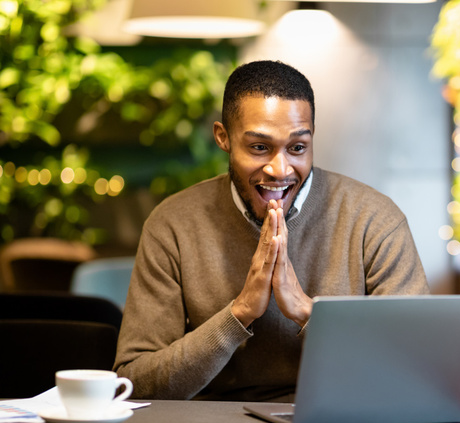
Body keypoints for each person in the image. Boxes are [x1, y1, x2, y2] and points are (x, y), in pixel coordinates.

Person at [114, 60, 429, 402]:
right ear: (224, 138)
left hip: (337, 422)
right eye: (259, 147)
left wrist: (308, 313)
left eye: (297, 148)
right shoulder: (172, 224)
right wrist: (240, 313)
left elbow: (416, 371)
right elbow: (135, 384)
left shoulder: (375, 220)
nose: (280, 170)